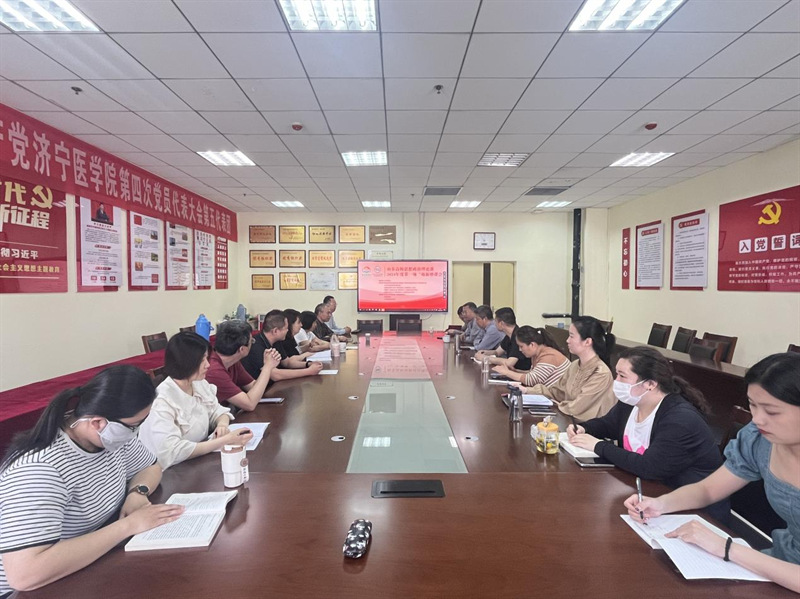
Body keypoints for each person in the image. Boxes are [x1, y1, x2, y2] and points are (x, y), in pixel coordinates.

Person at [624, 353, 800, 594]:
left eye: (772, 411)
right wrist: (661, 504)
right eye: (753, 405)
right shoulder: (760, 441)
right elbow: (708, 489)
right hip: (777, 564)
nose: (758, 419)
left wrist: (727, 549)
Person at [0, 366, 184, 595]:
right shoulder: (40, 469)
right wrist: (129, 525)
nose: (135, 433)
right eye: (134, 426)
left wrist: (138, 492)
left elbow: (150, 467)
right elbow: (24, 575)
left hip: (88, 561)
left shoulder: (112, 436)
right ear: (97, 422)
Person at [569, 346, 724, 509]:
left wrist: (598, 446)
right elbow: (608, 425)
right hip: (647, 494)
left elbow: (649, 467)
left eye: (622, 376)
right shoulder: (632, 402)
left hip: (690, 507)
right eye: (617, 374)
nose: (616, 381)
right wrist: (584, 428)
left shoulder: (680, 420)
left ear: (650, 384)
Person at [138, 332, 253, 470]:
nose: (208, 365)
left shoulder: (198, 383)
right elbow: (172, 452)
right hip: (171, 472)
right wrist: (224, 440)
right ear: (187, 362)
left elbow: (217, 410)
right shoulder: (162, 400)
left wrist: (222, 425)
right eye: (202, 360)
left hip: (197, 464)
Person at [517, 316, 616, 420]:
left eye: (571, 336)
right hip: (568, 420)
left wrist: (555, 404)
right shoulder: (575, 365)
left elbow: (577, 408)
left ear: (587, 342)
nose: (567, 340)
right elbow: (555, 392)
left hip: (584, 426)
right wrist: (526, 390)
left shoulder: (601, 373)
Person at [205, 319, 281, 411]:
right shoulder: (213, 370)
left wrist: (267, 366)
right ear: (242, 349)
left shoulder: (233, 362)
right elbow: (249, 404)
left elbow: (253, 386)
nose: (252, 344)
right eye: (252, 341)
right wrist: (267, 367)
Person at [241, 310, 323, 381]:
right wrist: (308, 371)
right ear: (275, 331)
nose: (287, 331)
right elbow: (275, 375)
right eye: (286, 328)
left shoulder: (276, 341)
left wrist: (308, 364)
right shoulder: (256, 345)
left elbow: (287, 362)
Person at [492, 326, 569, 386]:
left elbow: (532, 380)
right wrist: (515, 371)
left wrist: (507, 372)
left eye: (521, 346)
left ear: (532, 345)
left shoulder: (549, 356)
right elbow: (532, 373)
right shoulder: (536, 354)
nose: (520, 350)